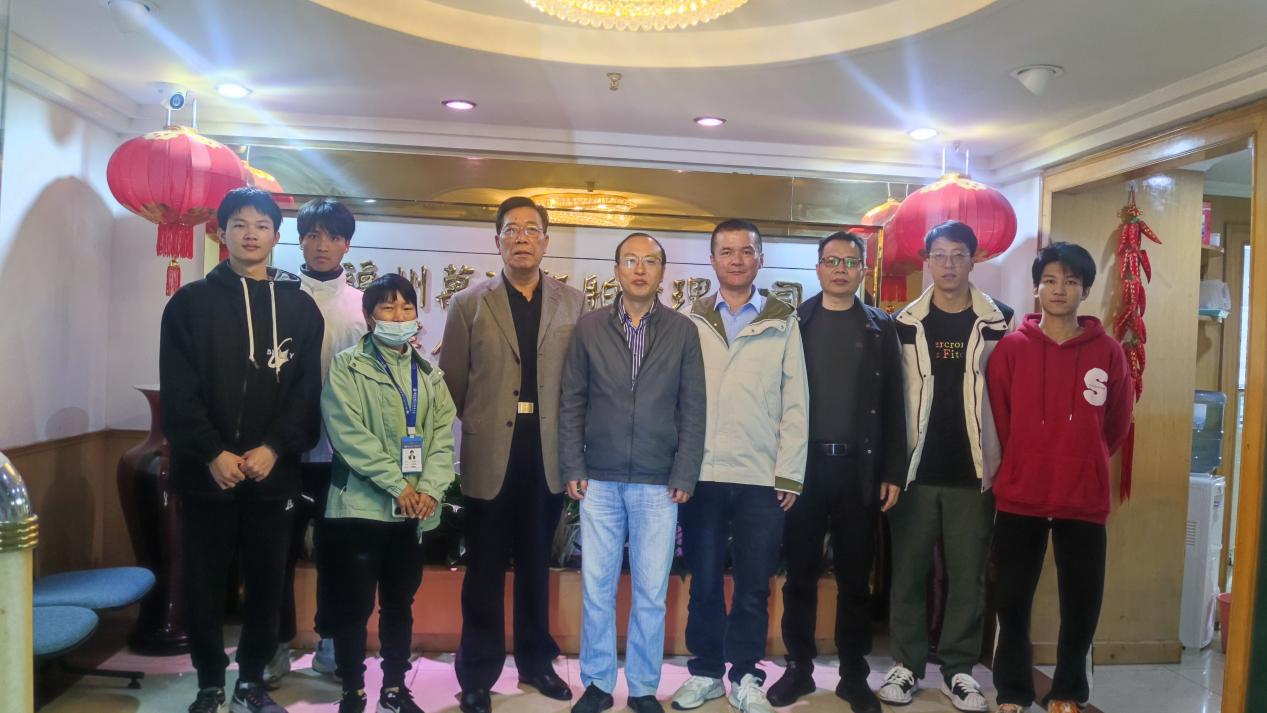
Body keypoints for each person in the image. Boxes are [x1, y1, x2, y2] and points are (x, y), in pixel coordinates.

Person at [160, 186, 323, 713]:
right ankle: (210, 682)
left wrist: (275, 447)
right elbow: (178, 390)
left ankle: (251, 679)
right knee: (204, 582)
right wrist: (212, 452)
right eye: (239, 224)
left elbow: (306, 393)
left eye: (261, 225)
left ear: (276, 236)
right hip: (207, 473)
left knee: (267, 582)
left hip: (273, 474)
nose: (250, 234)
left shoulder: (300, 308)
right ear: (221, 232)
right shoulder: (190, 304)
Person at [440, 197, 585, 713]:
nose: (521, 238)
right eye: (511, 230)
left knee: (535, 566)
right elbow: (453, 383)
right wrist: (482, 422)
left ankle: (536, 662)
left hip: (547, 452)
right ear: (497, 240)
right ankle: (477, 674)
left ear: (546, 241)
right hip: (490, 452)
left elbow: (579, 382)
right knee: (483, 570)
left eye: (531, 229)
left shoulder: (573, 303)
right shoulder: (469, 303)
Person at [560, 233, 707, 713]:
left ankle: (643, 687)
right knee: (597, 588)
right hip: (598, 479)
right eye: (630, 261)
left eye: (649, 262)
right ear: (616, 270)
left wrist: (685, 471)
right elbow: (572, 400)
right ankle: (598, 684)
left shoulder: (682, 331)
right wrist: (573, 463)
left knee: (650, 592)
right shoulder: (589, 327)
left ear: (662, 272)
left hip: (658, 482)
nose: (640, 270)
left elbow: (693, 408)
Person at [986, 242, 1133, 713]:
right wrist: (1026, 459)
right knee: (1011, 600)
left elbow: (1117, 423)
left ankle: (1067, 691)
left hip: (1083, 498)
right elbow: (1000, 420)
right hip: (1020, 495)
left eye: (1070, 281)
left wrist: (1085, 458)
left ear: (1085, 291)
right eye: (1050, 280)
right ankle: (1013, 690)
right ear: (1037, 287)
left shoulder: (1108, 352)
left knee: (1081, 603)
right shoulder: (1012, 349)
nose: (1059, 289)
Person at [767, 232, 906, 713]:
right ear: (818, 267)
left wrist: (893, 470)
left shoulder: (880, 326)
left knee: (855, 580)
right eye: (832, 261)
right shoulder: (795, 321)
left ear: (862, 269)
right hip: (803, 470)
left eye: (850, 262)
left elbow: (894, 401)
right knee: (800, 577)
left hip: (859, 471)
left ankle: (853, 675)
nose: (841, 269)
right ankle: (799, 669)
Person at [673, 219, 808, 713]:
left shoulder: (783, 321)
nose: (736, 260)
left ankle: (746, 673)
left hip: (760, 477)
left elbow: (796, 402)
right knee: (704, 582)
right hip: (702, 476)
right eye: (726, 251)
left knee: (753, 584)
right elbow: (675, 399)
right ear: (712, 260)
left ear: (760, 259)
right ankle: (707, 672)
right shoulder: (690, 319)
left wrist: (789, 472)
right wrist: (678, 468)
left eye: (745, 251)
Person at [879, 220, 1014, 713]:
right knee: (908, 573)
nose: (949, 264)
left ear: (973, 260)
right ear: (927, 261)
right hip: (915, 471)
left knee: (968, 576)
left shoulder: (1000, 320)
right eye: (940, 254)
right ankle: (907, 665)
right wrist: (890, 466)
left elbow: (1009, 396)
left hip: (975, 471)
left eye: (959, 254)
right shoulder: (903, 322)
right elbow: (890, 399)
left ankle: (960, 669)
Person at [320, 273, 458, 713]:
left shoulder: (430, 375)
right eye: (387, 307)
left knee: (400, 604)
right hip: (360, 508)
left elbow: (442, 439)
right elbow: (349, 436)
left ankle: (395, 689)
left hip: (412, 513)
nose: (399, 316)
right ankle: (352, 690)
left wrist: (429, 489)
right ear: (368, 316)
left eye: (406, 308)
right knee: (354, 606)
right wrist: (398, 486)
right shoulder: (347, 367)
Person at [270, 198, 367, 682]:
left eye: (332, 236)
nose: (321, 245)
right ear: (299, 241)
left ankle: (332, 641)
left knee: (339, 551)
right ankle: (274, 643)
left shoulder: (363, 306)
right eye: (312, 235)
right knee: (276, 551)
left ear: (346, 244)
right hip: (283, 450)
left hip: (343, 453)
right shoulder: (278, 298)